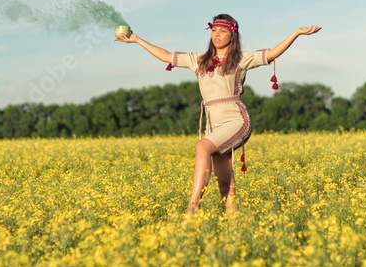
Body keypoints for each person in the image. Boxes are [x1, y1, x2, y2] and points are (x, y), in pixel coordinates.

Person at [114, 14, 321, 215]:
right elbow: (167, 56)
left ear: (233, 35)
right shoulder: (199, 60)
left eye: (222, 31)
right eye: (213, 30)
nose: (217, 34)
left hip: (236, 119)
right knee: (225, 185)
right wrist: (137, 40)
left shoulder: (241, 59)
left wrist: (296, 33)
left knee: (202, 146)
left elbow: (273, 53)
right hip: (212, 125)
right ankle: (235, 233)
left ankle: (193, 208)